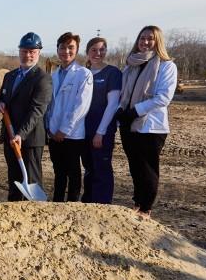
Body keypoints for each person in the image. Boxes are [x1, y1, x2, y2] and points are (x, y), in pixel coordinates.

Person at [116, 25, 178, 218]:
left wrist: (136, 111)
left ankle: (146, 207)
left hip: (150, 126)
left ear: (157, 41)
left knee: (148, 168)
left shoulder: (166, 65)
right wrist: (121, 111)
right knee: (134, 167)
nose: (145, 42)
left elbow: (163, 97)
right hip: (129, 124)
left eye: (150, 39)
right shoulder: (132, 65)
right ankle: (137, 201)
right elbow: (123, 92)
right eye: (142, 38)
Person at [0, 33, 52, 201]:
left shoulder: (43, 79)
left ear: (38, 53)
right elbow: (2, 97)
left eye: (32, 52)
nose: (27, 55)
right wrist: (0, 104)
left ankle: (34, 217)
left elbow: (37, 111)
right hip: (9, 135)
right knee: (14, 180)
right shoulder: (10, 76)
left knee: (31, 180)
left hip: (30, 139)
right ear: (19, 51)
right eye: (24, 51)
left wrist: (21, 134)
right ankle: (13, 214)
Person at [46, 32, 93, 202]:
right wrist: (50, 128)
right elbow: (50, 105)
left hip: (72, 134)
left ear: (77, 49)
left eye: (70, 47)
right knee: (59, 171)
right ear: (58, 50)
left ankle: (73, 204)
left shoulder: (84, 74)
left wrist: (64, 130)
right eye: (63, 47)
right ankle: (57, 202)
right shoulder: (53, 75)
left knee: (73, 171)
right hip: (54, 133)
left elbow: (81, 106)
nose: (66, 51)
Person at [81, 37, 122, 204]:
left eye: (102, 50)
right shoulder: (85, 73)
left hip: (102, 130)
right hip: (84, 129)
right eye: (94, 50)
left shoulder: (112, 73)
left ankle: (102, 204)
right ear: (87, 52)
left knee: (101, 168)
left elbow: (112, 105)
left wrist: (100, 132)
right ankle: (88, 202)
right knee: (89, 168)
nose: (98, 53)